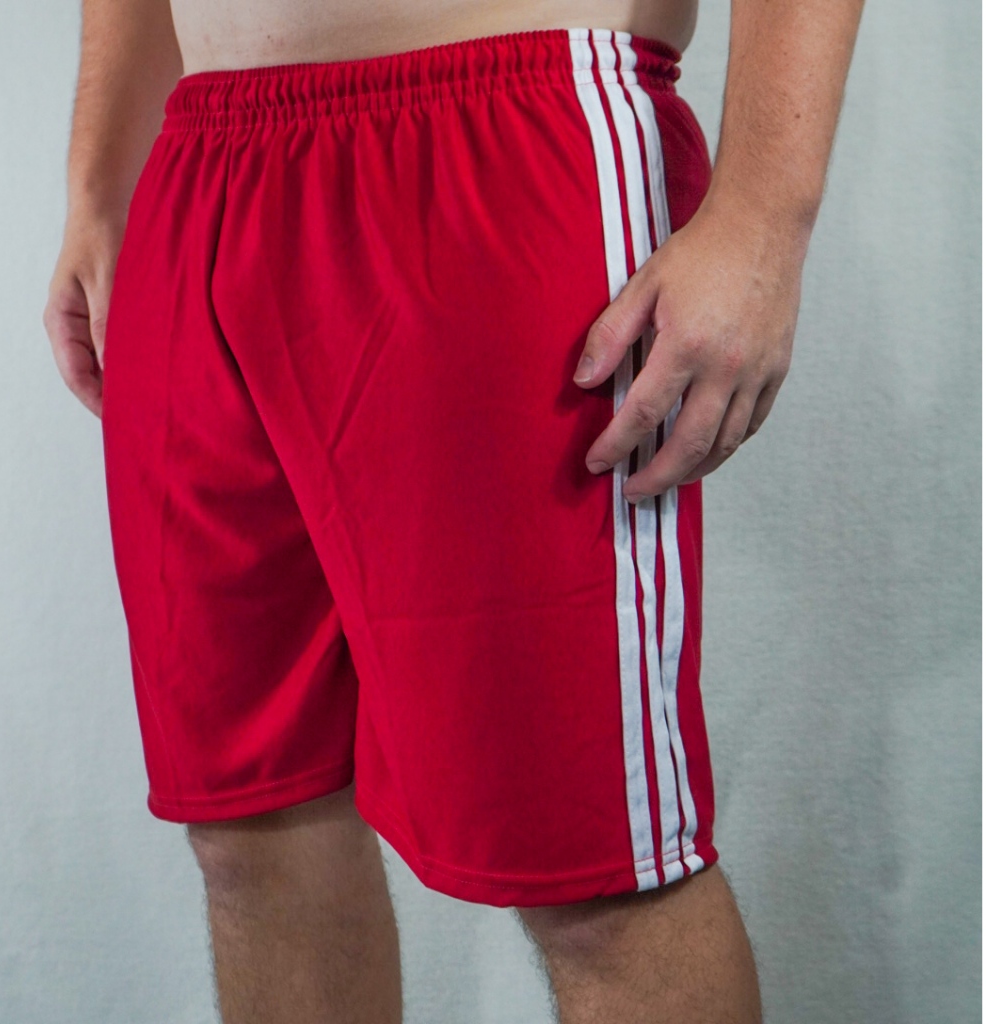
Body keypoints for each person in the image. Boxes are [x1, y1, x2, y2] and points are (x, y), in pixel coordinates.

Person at [43, 0, 863, 1020]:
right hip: (198, 170)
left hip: (504, 131)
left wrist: (765, 218)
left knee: (599, 882)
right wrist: (99, 177)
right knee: (252, 830)